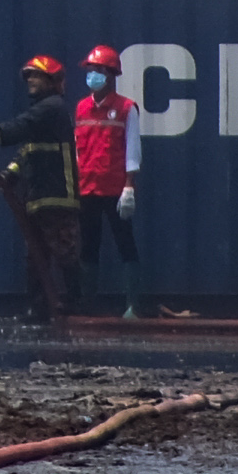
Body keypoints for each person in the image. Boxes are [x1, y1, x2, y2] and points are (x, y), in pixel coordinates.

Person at [0, 55, 84, 331]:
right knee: (35, 255)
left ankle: (77, 305)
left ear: (52, 81)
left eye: (36, 76)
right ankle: (38, 308)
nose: (31, 81)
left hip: (57, 194)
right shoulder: (43, 113)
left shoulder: (52, 108)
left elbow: (17, 129)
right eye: (29, 76)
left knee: (64, 251)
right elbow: (28, 150)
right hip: (37, 196)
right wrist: (10, 173)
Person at [72, 45, 142, 320]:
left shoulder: (126, 109)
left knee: (125, 243)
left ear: (112, 75)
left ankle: (132, 306)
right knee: (88, 245)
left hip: (115, 189)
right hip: (87, 187)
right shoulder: (81, 108)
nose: (93, 76)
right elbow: (78, 150)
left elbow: (132, 148)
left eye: (99, 71)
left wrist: (129, 186)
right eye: (91, 71)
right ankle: (87, 302)